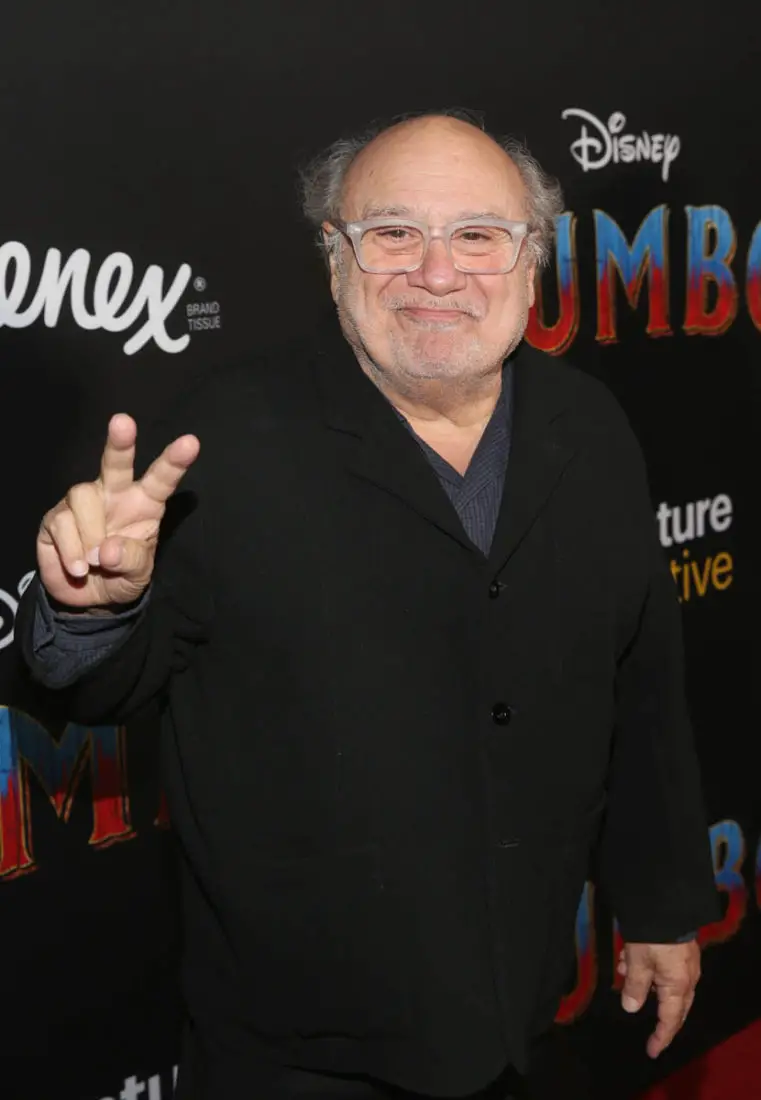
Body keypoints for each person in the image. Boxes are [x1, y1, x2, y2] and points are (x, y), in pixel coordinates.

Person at [16, 110, 718, 1099]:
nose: (436, 273)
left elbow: (642, 688)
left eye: (477, 235)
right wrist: (91, 607)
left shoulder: (588, 426)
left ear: (531, 262)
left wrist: (659, 905)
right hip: (299, 1049)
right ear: (334, 257)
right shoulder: (225, 440)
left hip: (524, 1015)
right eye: (392, 233)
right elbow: (94, 689)